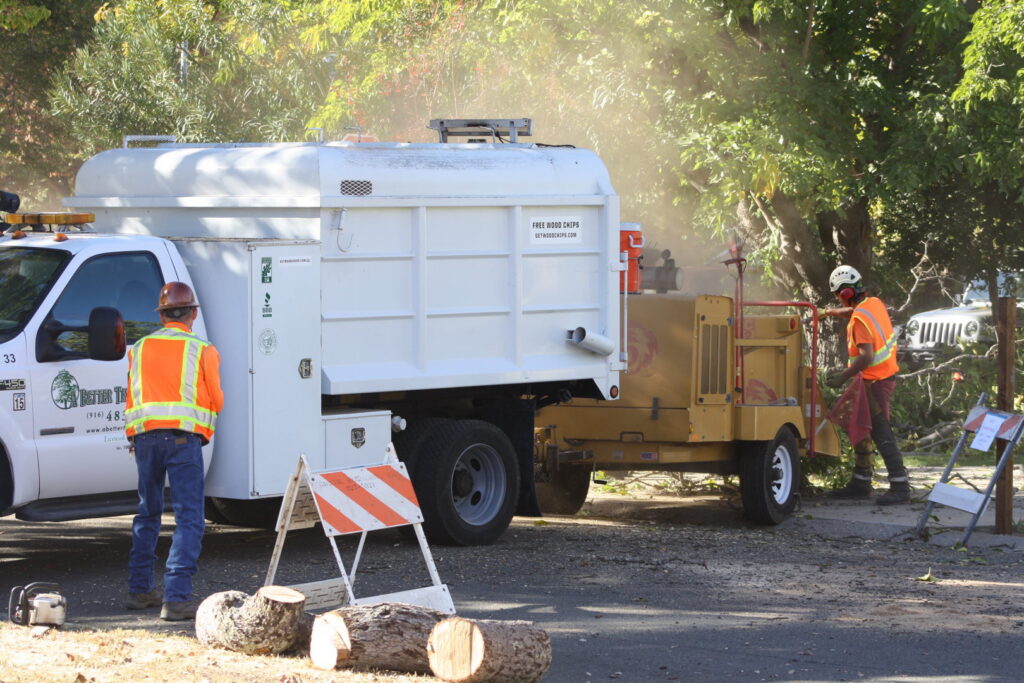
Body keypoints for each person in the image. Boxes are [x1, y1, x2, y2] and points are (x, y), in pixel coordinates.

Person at [123, 282, 224, 620]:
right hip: (183, 442)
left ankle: (140, 591)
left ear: (163, 315)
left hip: (146, 440)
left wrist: (135, 435)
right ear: (193, 313)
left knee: (147, 513)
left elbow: (132, 397)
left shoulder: (139, 347)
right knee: (189, 518)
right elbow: (217, 400)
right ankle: (176, 599)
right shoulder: (202, 349)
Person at [822, 265, 910, 505]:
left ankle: (900, 486)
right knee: (862, 428)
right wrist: (830, 312)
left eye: (838, 295)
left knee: (881, 431)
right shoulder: (873, 304)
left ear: (846, 293)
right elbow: (853, 313)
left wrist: (842, 377)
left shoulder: (860, 319)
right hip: (879, 378)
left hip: (874, 381)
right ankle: (861, 483)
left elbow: (866, 356)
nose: (839, 299)